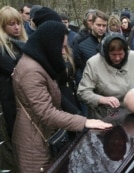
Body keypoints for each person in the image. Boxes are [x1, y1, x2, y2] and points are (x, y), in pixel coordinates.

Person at [11, 21, 112, 173]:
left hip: (42, 135)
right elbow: (46, 113)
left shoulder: (38, 63)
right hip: (34, 144)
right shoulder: (32, 71)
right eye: (61, 47)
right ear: (48, 44)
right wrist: (84, 121)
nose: (64, 52)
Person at [77, 33, 134, 119]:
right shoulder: (93, 63)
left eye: (120, 54)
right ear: (106, 53)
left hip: (133, 113)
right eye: (113, 55)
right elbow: (82, 92)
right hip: (106, 116)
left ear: (126, 51)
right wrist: (101, 99)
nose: (117, 58)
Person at [0, 5, 28, 138]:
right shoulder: (2, 49)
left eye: (18, 23)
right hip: (12, 101)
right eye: (12, 24)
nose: (17, 27)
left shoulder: (22, 43)